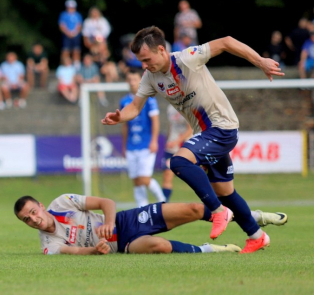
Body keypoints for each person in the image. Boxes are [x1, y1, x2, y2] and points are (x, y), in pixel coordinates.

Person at [102, 26, 284, 254]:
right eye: (141, 61)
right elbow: (134, 107)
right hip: (206, 135)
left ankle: (218, 212)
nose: (144, 66)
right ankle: (257, 236)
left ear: (161, 49)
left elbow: (226, 41)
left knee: (178, 162)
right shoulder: (150, 77)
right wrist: (120, 116)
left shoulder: (188, 58)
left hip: (222, 127)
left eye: (147, 59)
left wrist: (260, 61)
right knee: (226, 192)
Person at [14, 194, 286, 255]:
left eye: (33, 211)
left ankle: (256, 218)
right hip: (125, 244)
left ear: (40, 205)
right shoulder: (47, 245)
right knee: (159, 246)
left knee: (192, 209)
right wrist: (95, 250)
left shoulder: (62, 203)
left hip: (127, 219)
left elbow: (106, 201)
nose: (33, 219)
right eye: (27, 219)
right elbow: (73, 252)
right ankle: (209, 250)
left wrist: (109, 222)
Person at [120, 70, 165, 206]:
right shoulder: (124, 101)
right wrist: (124, 145)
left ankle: (162, 201)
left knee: (144, 179)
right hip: (131, 146)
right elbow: (125, 125)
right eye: (130, 79)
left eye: (135, 79)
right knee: (136, 180)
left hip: (146, 144)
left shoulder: (149, 99)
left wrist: (154, 141)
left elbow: (155, 120)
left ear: (140, 81)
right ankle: (142, 208)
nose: (132, 82)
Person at [161, 105, 193, 202]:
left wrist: (177, 141)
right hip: (171, 148)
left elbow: (190, 129)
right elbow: (171, 125)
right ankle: (164, 203)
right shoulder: (170, 107)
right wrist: (169, 139)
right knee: (167, 174)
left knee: (195, 176)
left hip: (186, 147)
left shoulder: (188, 106)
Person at [59, 0, 82, 68]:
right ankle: (64, 65)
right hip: (66, 35)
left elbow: (79, 25)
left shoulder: (78, 15)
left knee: (76, 50)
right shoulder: (63, 15)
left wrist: (75, 32)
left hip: (76, 35)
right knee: (65, 51)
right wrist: (68, 32)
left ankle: (76, 66)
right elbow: (62, 25)